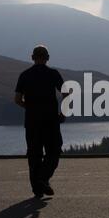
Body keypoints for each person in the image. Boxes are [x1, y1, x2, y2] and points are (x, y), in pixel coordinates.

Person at [14, 45, 66, 198]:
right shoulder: (53, 74)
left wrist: (29, 107)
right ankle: (43, 179)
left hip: (32, 122)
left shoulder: (24, 75)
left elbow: (17, 100)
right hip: (50, 121)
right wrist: (62, 112)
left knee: (34, 154)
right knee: (54, 151)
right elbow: (66, 93)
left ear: (32, 57)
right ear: (48, 58)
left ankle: (38, 188)